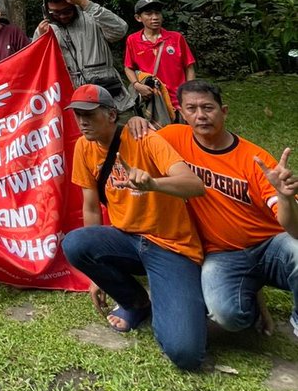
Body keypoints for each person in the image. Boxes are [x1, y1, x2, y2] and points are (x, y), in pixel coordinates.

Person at [126, 80, 298, 339]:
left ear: (224, 111)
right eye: (191, 109)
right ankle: (251, 304)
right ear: (181, 113)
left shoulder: (253, 159)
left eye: (208, 107)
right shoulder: (172, 138)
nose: (200, 116)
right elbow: (132, 143)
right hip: (222, 254)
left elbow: (294, 230)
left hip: (270, 243)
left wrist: (285, 198)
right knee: (227, 315)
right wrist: (133, 122)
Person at [60, 84, 207, 371]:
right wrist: (96, 278)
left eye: (89, 114)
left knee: (185, 352)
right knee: (76, 244)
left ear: (112, 114)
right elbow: (90, 207)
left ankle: (183, 302)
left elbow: (194, 185)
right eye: (78, 115)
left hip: (170, 245)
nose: (82, 122)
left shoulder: (143, 138)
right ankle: (137, 303)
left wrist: (153, 184)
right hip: (127, 240)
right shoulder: (83, 146)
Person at [34, 0, 133, 116]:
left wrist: (85, 3)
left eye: (67, 11)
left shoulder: (93, 18)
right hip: (73, 105)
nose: (62, 16)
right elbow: (37, 67)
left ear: (75, 4)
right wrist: (41, 39)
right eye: (55, 12)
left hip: (112, 99)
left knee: (126, 134)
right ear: (46, 10)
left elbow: (120, 30)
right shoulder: (45, 29)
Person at [124, 0, 196, 118]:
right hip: (153, 100)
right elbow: (128, 67)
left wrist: (191, 92)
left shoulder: (176, 38)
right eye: (148, 14)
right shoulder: (133, 40)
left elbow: (189, 67)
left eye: (157, 13)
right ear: (138, 18)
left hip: (179, 100)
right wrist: (137, 85)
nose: (155, 17)